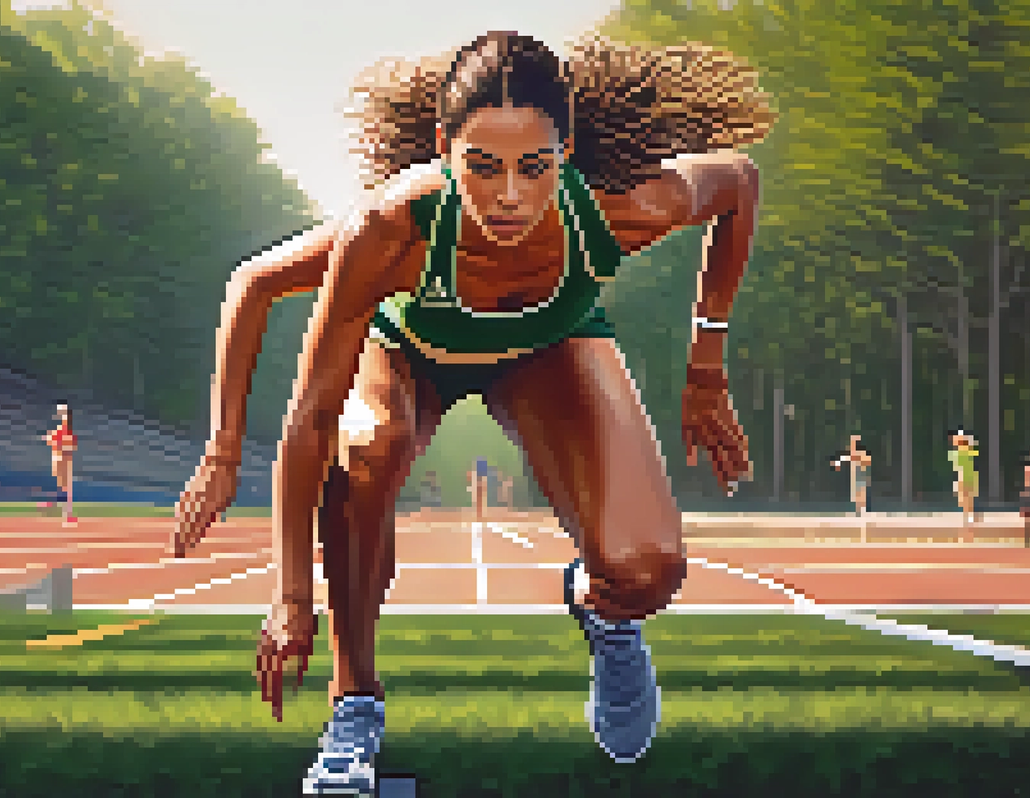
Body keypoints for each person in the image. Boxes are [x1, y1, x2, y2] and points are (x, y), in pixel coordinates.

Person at [172, 31, 772, 794]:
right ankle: (354, 708)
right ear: (441, 150)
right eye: (482, 168)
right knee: (369, 445)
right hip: (413, 352)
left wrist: (707, 365)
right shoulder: (388, 233)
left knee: (649, 572)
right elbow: (303, 396)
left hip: (552, 345)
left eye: (536, 167)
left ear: (569, 150)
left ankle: (604, 612)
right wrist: (285, 581)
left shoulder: (621, 210)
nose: (511, 198)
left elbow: (739, 185)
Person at [45, 404, 78, 526]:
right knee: (65, 487)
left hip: (63, 459)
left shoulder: (64, 431)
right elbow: (60, 444)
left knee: (65, 488)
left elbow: (72, 446)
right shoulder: (61, 431)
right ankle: (60, 509)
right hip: (61, 459)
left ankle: (63, 511)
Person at [948, 430, 978, 539]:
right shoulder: (963, 452)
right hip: (967, 480)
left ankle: (968, 526)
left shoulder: (963, 452)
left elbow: (960, 470)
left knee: (967, 504)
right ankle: (968, 525)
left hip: (966, 480)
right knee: (967, 505)